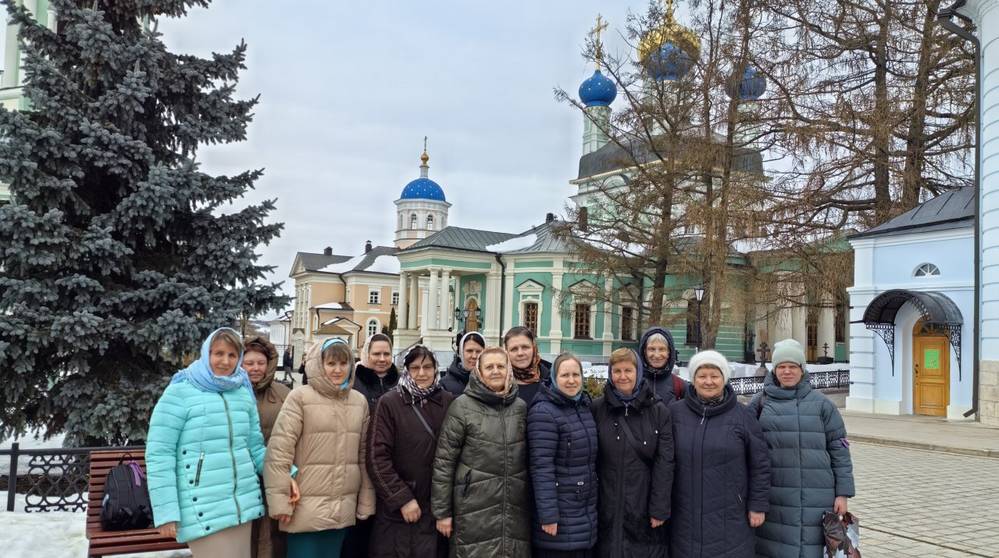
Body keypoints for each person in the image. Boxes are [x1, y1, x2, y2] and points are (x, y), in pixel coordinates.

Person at [146, 328, 267, 557]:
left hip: (241, 505)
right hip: (202, 507)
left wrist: (286, 473)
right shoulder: (180, 392)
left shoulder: (241, 392)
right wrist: (166, 512)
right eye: (218, 353)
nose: (225, 361)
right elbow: (160, 454)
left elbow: (255, 448)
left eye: (232, 355)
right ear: (206, 353)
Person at [264, 339, 376, 558]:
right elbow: (279, 452)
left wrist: (366, 499)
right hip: (304, 507)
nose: (337, 370)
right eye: (331, 363)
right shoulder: (301, 398)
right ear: (318, 364)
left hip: (342, 508)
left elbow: (363, 456)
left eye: (343, 363)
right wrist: (280, 502)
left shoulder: (358, 402)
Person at [750, 339, 855, 558]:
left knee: (811, 548)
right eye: (781, 366)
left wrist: (843, 493)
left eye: (793, 366)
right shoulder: (760, 404)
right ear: (774, 369)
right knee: (775, 547)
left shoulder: (822, 404)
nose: (787, 371)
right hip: (775, 494)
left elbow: (839, 449)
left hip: (818, 497)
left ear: (802, 369)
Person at [669, 350, 770, 558]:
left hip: (731, 515)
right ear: (693, 379)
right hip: (684, 514)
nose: (708, 382)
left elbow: (760, 464)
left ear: (724, 379)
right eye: (702, 376)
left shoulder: (743, 416)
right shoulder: (675, 413)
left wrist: (757, 505)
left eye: (714, 376)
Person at [431, 347, 531, 557]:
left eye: (500, 366)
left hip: (513, 509)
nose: (495, 371)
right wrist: (442, 513)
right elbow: (444, 462)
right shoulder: (462, 407)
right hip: (472, 508)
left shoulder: (520, 407)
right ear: (479, 372)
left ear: (508, 370)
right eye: (489, 367)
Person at [367, 346, 456, 558]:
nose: (422, 373)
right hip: (399, 511)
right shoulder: (390, 403)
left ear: (436, 369)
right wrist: (402, 498)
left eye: (427, 367)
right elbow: (376, 456)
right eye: (415, 368)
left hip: (436, 507)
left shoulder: (448, 401)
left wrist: (446, 506)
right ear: (406, 370)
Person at [591, 348, 673, 558]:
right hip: (607, 502)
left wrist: (659, 507)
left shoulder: (657, 410)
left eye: (628, 370)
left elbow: (665, 462)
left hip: (643, 503)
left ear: (638, 373)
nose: (622, 376)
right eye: (616, 371)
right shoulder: (598, 409)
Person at [527, 352, 599, 558]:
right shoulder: (544, 412)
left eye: (576, 375)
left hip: (584, 514)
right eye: (565, 375)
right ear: (554, 378)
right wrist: (548, 516)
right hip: (558, 520)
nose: (571, 380)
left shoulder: (583, 407)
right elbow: (541, 468)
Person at [344, 333, 399, 557]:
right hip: (359, 460)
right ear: (367, 354)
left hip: (390, 463)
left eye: (386, 353)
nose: (382, 358)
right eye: (376, 353)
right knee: (359, 526)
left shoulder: (399, 381)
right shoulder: (354, 381)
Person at [244, 336, 292, 558]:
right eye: (249, 363)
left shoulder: (283, 394)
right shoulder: (231, 394)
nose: (256, 368)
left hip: (275, 475)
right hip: (243, 480)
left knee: (272, 536)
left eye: (260, 363)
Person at [503, 326, 552, 404]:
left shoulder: (552, 378)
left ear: (534, 348)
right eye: (514, 349)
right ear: (507, 352)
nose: (520, 353)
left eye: (525, 347)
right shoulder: (500, 383)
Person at [638, 326, 686, 403]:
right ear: (644, 352)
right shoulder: (632, 382)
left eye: (662, 349)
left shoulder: (681, 386)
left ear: (669, 352)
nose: (657, 355)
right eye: (651, 349)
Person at [442, 331, 485, 395]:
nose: (474, 356)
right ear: (461, 353)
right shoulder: (445, 385)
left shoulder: (491, 382)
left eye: (478, 351)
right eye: (469, 351)